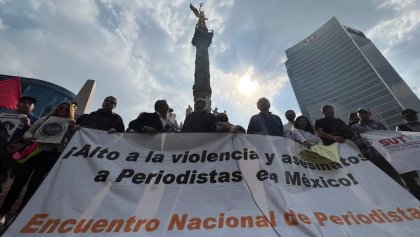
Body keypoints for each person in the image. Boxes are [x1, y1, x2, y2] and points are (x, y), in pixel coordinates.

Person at [0, 102, 77, 225]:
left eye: (66, 109)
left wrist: (72, 129)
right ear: (57, 108)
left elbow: (70, 140)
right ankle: (3, 212)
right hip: (33, 152)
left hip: (51, 155)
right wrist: (29, 137)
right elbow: (29, 132)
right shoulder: (44, 119)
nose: (63, 110)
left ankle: (19, 216)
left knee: (33, 187)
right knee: (18, 183)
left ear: (70, 112)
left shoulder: (70, 124)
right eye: (61, 107)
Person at [351, 107, 404, 186]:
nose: (362, 115)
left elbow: (387, 135)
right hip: (372, 156)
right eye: (360, 113)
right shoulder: (355, 127)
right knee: (383, 179)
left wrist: (369, 131)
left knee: (395, 175)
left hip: (386, 154)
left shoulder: (377, 123)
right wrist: (361, 139)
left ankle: (404, 192)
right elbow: (358, 142)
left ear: (369, 114)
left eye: (364, 113)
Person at [0, 96, 39, 190]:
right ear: (17, 104)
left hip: (13, 155)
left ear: (33, 108)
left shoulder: (37, 121)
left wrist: (28, 125)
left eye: (29, 103)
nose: (26, 104)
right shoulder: (4, 115)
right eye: (23, 102)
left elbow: (35, 139)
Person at [395, 108, 420, 200]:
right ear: (404, 117)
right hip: (413, 158)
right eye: (410, 115)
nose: (413, 116)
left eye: (414, 114)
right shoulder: (401, 128)